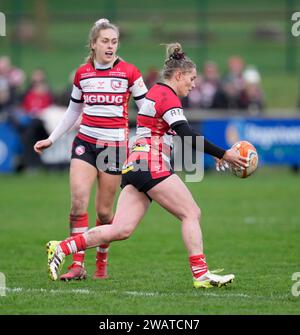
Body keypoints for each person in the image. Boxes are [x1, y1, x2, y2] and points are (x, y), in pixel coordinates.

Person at [46, 42, 248, 289]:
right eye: (192, 78)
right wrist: (224, 154)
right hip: (150, 163)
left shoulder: (155, 92)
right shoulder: (167, 95)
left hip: (135, 165)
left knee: (121, 229)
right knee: (191, 213)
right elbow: (185, 132)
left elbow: (176, 132)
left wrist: (216, 155)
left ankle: (63, 246)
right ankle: (201, 274)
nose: (193, 84)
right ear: (178, 75)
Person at [34, 18, 148, 280]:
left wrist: (147, 136)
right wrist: (52, 138)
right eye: (105, 41)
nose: (110, 46)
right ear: (94, 44)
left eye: (114, 41)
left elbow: (147, 108)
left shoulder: (130, 72)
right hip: (85, 143)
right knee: (77, 203)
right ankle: (77, 266)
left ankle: (101, 261)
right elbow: (73, 110)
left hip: (114, 148)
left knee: (105, 213)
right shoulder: (82, 73)